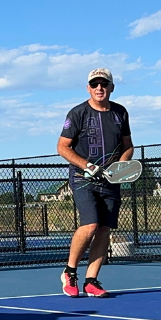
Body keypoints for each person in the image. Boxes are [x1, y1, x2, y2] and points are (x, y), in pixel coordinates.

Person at [56, 68, 133, 298]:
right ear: (88, 88)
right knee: (90, 224)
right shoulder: (78, 113)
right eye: (95, 84)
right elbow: (62, 147)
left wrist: (120, 167)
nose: (99, 88)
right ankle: (70, 272)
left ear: (111, 87)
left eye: (104, 83)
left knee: (104, 229)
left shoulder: (121, 113)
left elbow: (128, 146)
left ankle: (91, 280)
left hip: (110, 181)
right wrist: (87, 166)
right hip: (82, 179)